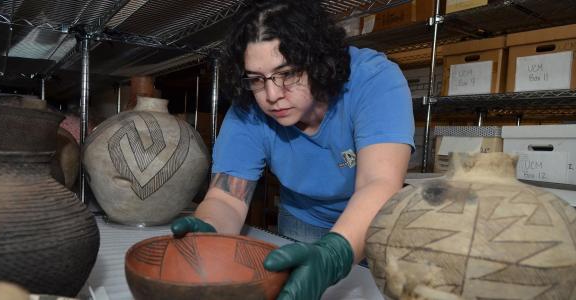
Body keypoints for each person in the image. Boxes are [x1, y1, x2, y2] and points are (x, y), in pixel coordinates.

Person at [171, 0, 415, 299]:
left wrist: (333, 254)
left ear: (317, 59)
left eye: (286, 73)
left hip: (377, 221)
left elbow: (379, 183)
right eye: (257, 79)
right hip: (302, 221)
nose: (272, 95)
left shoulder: (373, 79)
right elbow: (227, 197)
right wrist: (209, 229)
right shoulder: (248, 108)